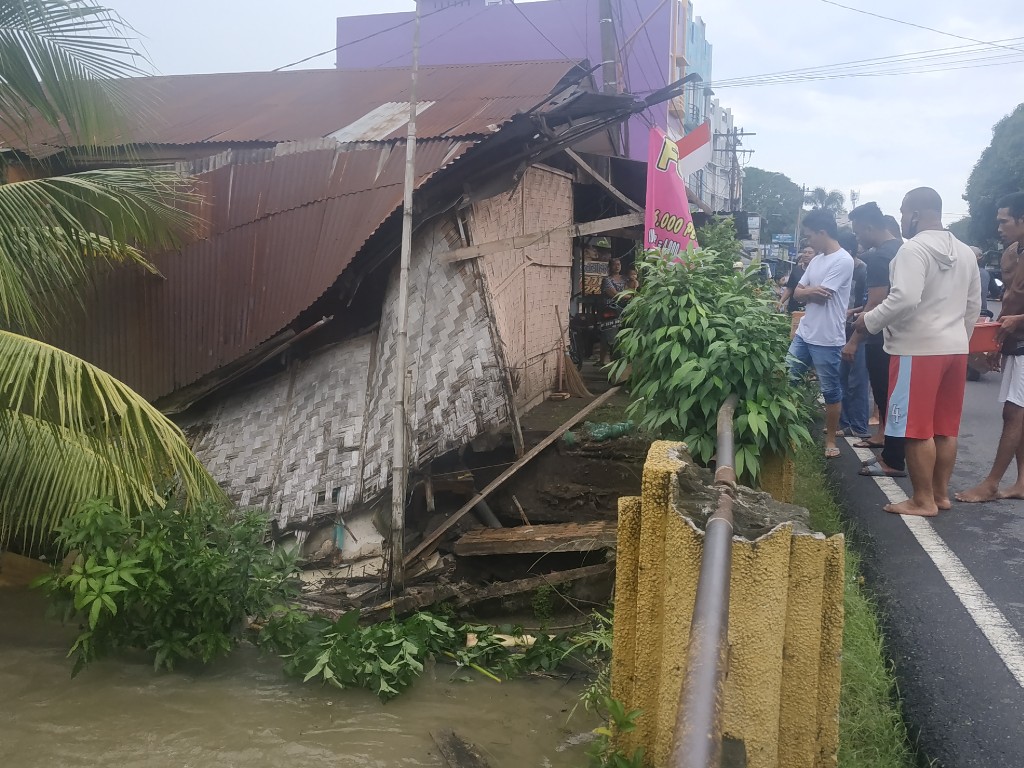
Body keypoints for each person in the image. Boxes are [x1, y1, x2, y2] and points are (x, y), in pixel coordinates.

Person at [852, 187, 980, 516]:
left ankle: (921, 500)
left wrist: (869, 321)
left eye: (902, 212)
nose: (900, 218)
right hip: (954, 348)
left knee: (914, 428)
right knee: (944, 427)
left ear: (915, 215)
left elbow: (905, 298)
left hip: (918, 349)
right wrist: (958, 339)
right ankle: (940, 495)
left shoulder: (913, 250)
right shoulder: (966, 252)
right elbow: (973, 305)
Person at [955, 192, 1024, 502]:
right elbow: (1010, 298)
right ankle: (1021, 483)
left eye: (1004, 221)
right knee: (1018, 412)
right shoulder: (1012, 252)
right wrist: (1001, 335)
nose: (999, 227)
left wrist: (1018, 319)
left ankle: (992, 482)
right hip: (1014, 338)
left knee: (1014, 412)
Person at [845, 201, 906, 478]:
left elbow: (876, 303)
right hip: (903, 334)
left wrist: (854, 340)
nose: (859, 239)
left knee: (885, 393)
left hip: (882, 337)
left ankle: (892, 459)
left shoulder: (880, 257)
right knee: (893, 395)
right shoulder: (904, 249)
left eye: (858, 233)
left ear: (869, 228)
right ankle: (885, 442)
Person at [788, 209, 854, 459]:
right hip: (805, 333)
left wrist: (807, 292)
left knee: (830, 390)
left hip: (827, 338)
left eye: (809, 236)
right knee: (787, 379)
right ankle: (788, 431)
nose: (808, 242)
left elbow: (822, 296)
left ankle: (830, 439)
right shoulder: (816, 260)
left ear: (822, 233)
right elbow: (798, 292)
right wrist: (807, 292)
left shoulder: (842, 260)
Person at [836, 231, 870, 438]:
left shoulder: (864, 271)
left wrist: (853, 311)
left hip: (859, 330)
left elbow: (871, 303)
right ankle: (844, 422)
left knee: (857, 380)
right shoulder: (840, 269)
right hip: (840, 329)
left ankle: (859, 426)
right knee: (841, 378)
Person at [600, 256, 627, 364]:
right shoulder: (607, 280)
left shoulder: (625, 279)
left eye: (618, 264)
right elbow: (614, 294)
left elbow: (631, 288)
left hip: (624, 310)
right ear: (610, 267)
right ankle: (611, 361)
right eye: (614, 264)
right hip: (611, 311)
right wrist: (628, 296)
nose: (617, 267)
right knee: (610, 337)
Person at [778, 245, 816, 312]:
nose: (806, 255)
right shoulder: (796, 270)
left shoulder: (820, 271)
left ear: (816, 256)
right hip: (794, 308)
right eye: (804, 252)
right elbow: (789, 288)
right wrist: (780, 302)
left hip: (811, 309)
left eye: (810, 253)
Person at [972, 246, 990, 316]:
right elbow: (995, 292)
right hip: (982, 312)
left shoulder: (961, 271)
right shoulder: (985, 273)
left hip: (964, 312)